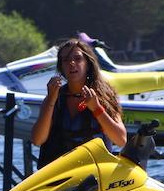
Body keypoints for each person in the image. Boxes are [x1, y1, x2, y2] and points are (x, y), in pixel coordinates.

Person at [31, 38, 126, 168]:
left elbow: (120, 140)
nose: (72, 63)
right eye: (66, 60)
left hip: (93, 174)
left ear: (88, 64)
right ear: (61, 67)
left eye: (78, 58)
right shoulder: (54, 98)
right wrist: (50, 101)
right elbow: (37, 140)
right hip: (59, 174)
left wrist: (97, 108)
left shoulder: (104, 96)